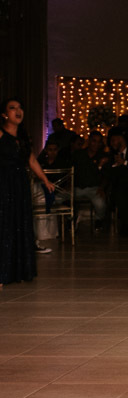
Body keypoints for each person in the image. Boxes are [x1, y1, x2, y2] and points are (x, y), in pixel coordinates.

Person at [1, 98, 55, 288]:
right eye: (12, 108)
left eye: (20, 107)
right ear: (4, 114)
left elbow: (32, 161)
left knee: (20, 223)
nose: (18, 111)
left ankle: (18, 270)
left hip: (20, 184)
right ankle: (2, 273)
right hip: (3, 182)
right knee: (5, 224)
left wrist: (45, 180)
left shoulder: (23, 138)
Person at [72, 131, 109, 230]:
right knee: (60, 198)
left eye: (99, 142)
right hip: (77, 187)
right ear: (89, 141)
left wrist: (102, 188)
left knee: (100, 204)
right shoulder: (78, 154)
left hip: (94, 188)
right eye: (94, 141)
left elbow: (106, 175)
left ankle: (99, 220)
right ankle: (70, 220)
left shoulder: (103, 156)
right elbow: (72, 171)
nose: (96, 144)